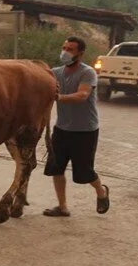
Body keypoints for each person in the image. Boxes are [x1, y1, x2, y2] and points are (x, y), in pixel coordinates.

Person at [43, 36, 110, 217]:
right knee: (56, 169)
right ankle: (62, 207)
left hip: (85, 131)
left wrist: (58, 98)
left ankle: (101, 192)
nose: (65, 52)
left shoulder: (87, 73)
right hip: (62, 129)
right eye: (64, 47)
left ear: (80, 53)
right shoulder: (55, 72)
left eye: (70, 49)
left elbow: (82, 96)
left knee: (84, 173)